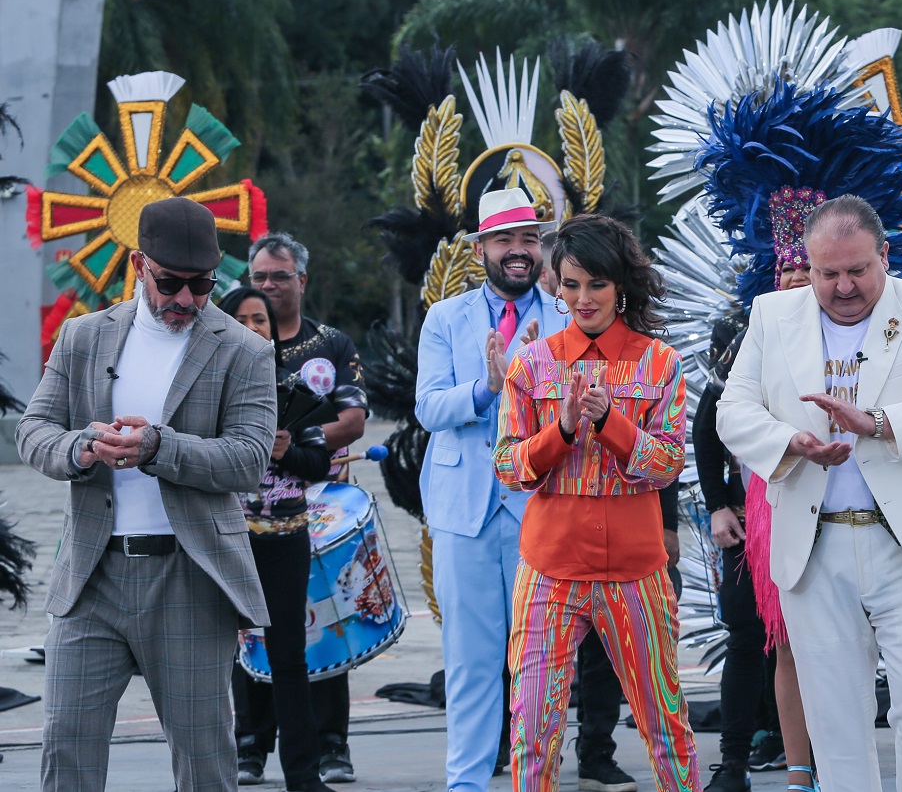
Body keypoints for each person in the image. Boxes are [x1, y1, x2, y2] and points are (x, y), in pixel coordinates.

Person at [717, 195, 902, 792]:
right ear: (806, 265)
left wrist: (881, 423)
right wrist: (791, 442)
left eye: (857, 270)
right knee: (835, 716)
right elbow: (732, 412)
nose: (842, 286)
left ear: (885, 256)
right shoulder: (771, 314)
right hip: (815, 544)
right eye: (827, 272)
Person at [16, 197, 276, 792]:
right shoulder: (83, 337)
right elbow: (34, 431)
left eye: (202, 285)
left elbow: (249, 459)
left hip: (190, 578)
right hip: (91, 575)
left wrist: (161, 449)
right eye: (171, 283)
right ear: (139, 264)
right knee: (66, 749)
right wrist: (82, 448)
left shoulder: (245, 350)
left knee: (204, 761)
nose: (185, 299)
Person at [494, 214, 699, 791]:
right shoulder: (531, 364)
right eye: (571, 284)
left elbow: (667, 465)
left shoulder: (660, 362)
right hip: (548, 572)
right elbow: (508, 466)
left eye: (597, 284)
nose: (583, 299)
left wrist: (611, 422)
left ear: (620, 285)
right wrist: (558, 431)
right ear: (555, 286)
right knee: (532, 728)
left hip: (635, 574)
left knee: (665, 725)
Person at [413, 189, 602, 792]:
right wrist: (487, 387)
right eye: (505, 240)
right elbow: (427, 407)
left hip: (542, 508)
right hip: (465, 512)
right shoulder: (446, 317)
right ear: (481, 248)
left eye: (528, 239)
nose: (517, 251)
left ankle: (532, 779)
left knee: (539, 662)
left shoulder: (566, 317)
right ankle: (466, 783)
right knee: (470, 660)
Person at [237, 231, 369, 784]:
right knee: (248, 630)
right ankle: (248, 744)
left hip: (317, 500)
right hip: (243, 510)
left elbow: (354, 420)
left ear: (302, 281)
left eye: (279, 277)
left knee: (324, 621)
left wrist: (293, 441)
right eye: (259, 277)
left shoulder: (332, 343)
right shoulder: (231, 340)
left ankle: (331, 743)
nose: (268, 287)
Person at [698, 254, 819, 792]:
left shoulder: (850, 333)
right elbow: (708, 426)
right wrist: (719, 504)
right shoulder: (746, 334)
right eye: (787, 268)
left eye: (807, 267)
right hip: (752, 518)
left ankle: (813, 761)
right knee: (749, 637)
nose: (796, 277)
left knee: (819, 641)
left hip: (826, 514)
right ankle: (735, 762)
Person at [218, 287, 336, 792]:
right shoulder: (211, 390)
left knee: (289, 657)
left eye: (260, 319)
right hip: (225, 541)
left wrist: (286, 452)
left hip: (287, 539)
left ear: (272, 327)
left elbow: (320, 464)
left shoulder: (295, 391)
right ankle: (224, 763)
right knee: (218, 656)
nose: (252, 326)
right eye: (241, 318)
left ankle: (303, 776)